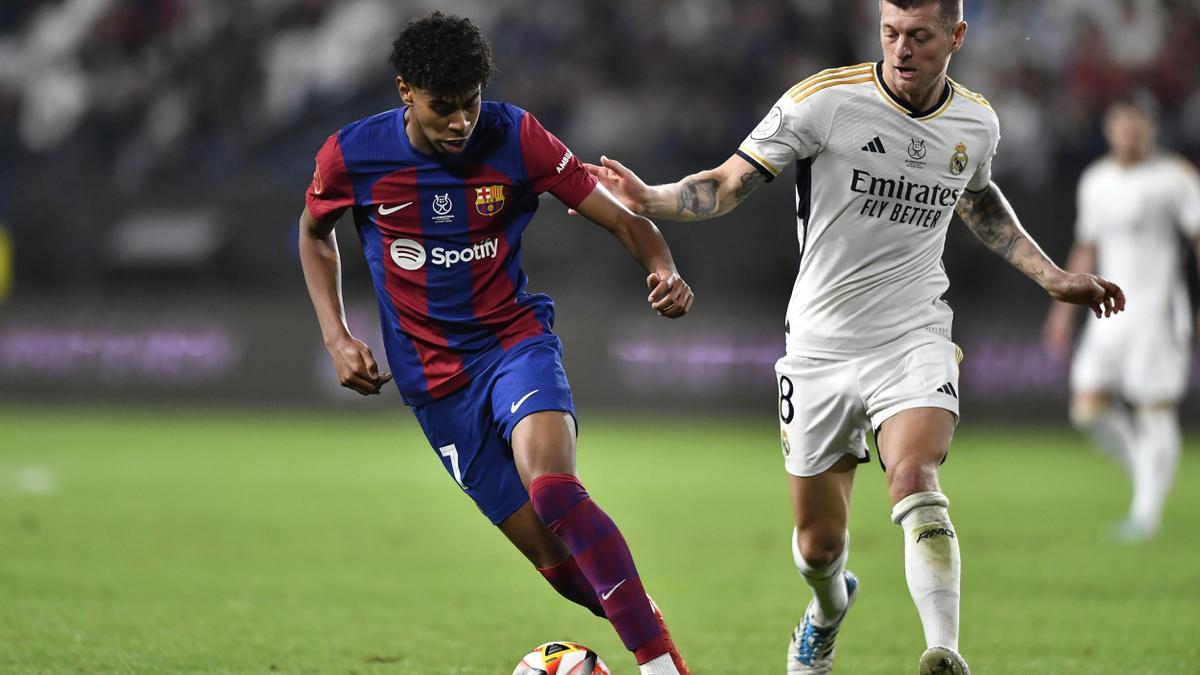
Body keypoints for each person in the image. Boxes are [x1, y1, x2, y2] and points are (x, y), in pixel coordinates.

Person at [585, 1, 1124, 673]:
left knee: (916, 473)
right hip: (820, 345)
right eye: (890, 32)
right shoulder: (826, 102)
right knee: (817, 545)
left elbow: (977, 197)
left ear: (956, 36)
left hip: (914, 332)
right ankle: (826, 609)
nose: (902, 49)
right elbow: (729, 182)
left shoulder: (976, 122)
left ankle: (944, 650)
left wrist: (1051, 277)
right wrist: (656, 199)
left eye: (920, 36)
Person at [296, 13, 692, 675]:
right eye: (442, 108)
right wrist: (336, 335)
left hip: (514, 344)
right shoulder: (353, 155)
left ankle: (661, 668)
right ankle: (640, 617)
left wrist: (665, 269)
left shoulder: (517, 137)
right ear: (405, 92)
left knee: (554, 487)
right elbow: (313, 232)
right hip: (435, 386)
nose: (460, 122)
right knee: (567, 574)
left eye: (470, 104)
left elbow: (622, 220)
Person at [1043, 97, 1200, 542]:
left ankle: (1146, 515)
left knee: (1154, 409)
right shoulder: (1096, 181)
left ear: (1151, 127)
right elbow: (1086, 247)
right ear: (1109, 129)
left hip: (1158, 314)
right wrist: (1060, 311)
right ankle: (1146, 479)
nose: (1128, 132)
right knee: (1087, 410)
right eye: (1120, 124)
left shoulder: (1176, 178)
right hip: (1108, 314)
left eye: (1137, 123)